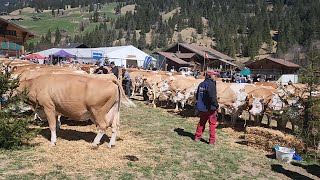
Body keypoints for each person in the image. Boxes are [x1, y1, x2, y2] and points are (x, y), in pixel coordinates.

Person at [194, 70, 219, 145]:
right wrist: (216, 105)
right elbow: (212, 97)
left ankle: (197, 137)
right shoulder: (211, 85)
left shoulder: (201, 84)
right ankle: (212, 140)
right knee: (212, 124)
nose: (215, 76)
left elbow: (197, 95)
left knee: (201, 122)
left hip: (202, 108)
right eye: (214, 75)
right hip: (210, 108)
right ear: (210, 76)